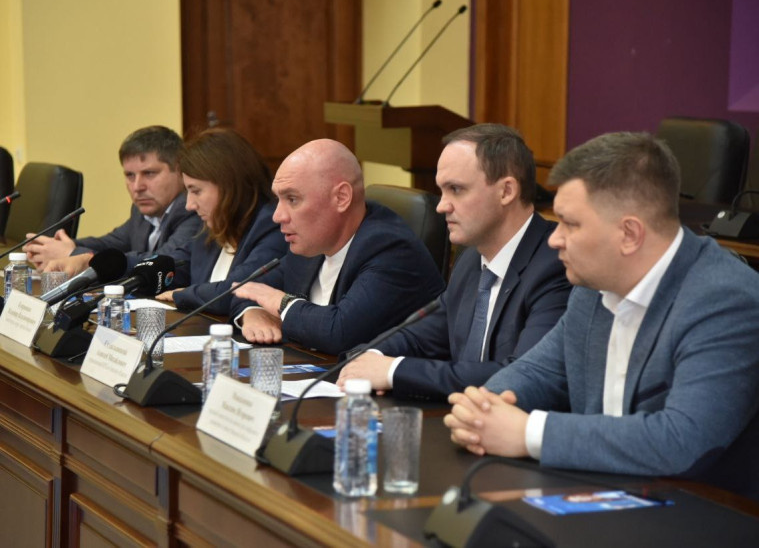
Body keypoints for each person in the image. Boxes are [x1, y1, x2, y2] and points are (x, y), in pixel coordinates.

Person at [444, 132, 759, 497]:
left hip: (702, 510)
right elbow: (538, 371)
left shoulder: (725, 300)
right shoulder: (592, 288)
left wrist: (528, 433)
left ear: (629, 234)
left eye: (571, 224)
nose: (554, 239)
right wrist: (483, 409)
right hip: (600, 492)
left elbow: (681, 439)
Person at [337, 124, 570, 400]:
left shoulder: (557, 266)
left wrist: (392, 371)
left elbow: (521, 376)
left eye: (456, 189)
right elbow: (420, 337)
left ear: (506, 191)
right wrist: (370, 358)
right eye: (442, 190)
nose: (441, 206)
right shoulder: (471, 259)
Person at [230, 138, 446, 356]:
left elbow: (339, 333)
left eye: (292, 199)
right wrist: (253, 312)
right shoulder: (312, 242)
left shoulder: (391, 250)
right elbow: (246, 289)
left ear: (341, 198)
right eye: (278, 199)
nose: (277, 216)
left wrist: (280, 302)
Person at [24, 125, 201, 275]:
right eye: (130, 175)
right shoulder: (143, 208)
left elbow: (163, 262)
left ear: (179, 170)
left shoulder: (193, 210)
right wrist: (54, 247)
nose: (137, 186)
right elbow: (110, 243)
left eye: (149, 173)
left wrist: (73, 253)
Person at [152, 128, 288, 314]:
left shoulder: (271, 225)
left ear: (229, 185)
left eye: (196, 191)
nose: (189, 205)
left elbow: (236, 290)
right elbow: (173, 264)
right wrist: (123, 268)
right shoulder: (214, 227)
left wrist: (182, 294)